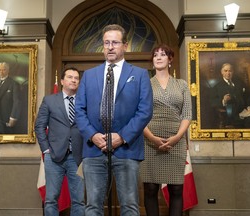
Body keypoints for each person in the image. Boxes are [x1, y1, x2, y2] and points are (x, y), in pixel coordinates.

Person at [75, 24, 153, 216]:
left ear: (125, 45)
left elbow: (145, 111)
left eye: (115, 42)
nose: (110, 47)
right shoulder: (89, 75)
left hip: (126, 149)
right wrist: (93, 136)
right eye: (106, 43)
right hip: (94, 150)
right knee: (92, 206)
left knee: (129, 206)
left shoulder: (140, 74)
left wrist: (122, 136)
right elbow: (79, 110)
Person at [140, 44, 192, 216]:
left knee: (177, 188)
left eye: (163, 55)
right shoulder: (145, 84)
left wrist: (177, 137)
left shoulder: (181, 84)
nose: (159, 57)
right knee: (150, 188)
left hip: (176, 141)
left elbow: (187, 114)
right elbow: (137, 114)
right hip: (149, 141)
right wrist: (152, 138)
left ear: (170, 60)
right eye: (155, 55)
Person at [35, 67, 85, 216]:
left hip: (78, 158)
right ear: (62, 81)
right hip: (54, 157)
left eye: (76, 78)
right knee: (51, 199)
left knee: (79, 201)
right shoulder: (50, 100)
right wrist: (45, 149)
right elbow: (39, 126)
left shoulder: (84, 101)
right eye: (70, 77)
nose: (74, 80)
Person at [210, 63, 250, 128]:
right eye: (225, 71)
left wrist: (248, 106)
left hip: (244, 112)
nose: (228, 73)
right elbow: (212, 102)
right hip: (230, 115)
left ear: (233, 72)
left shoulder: (239, 83)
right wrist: (223, 101)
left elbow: (247, 96)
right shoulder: (217, 87)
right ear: (222, 72)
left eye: (230, 71)